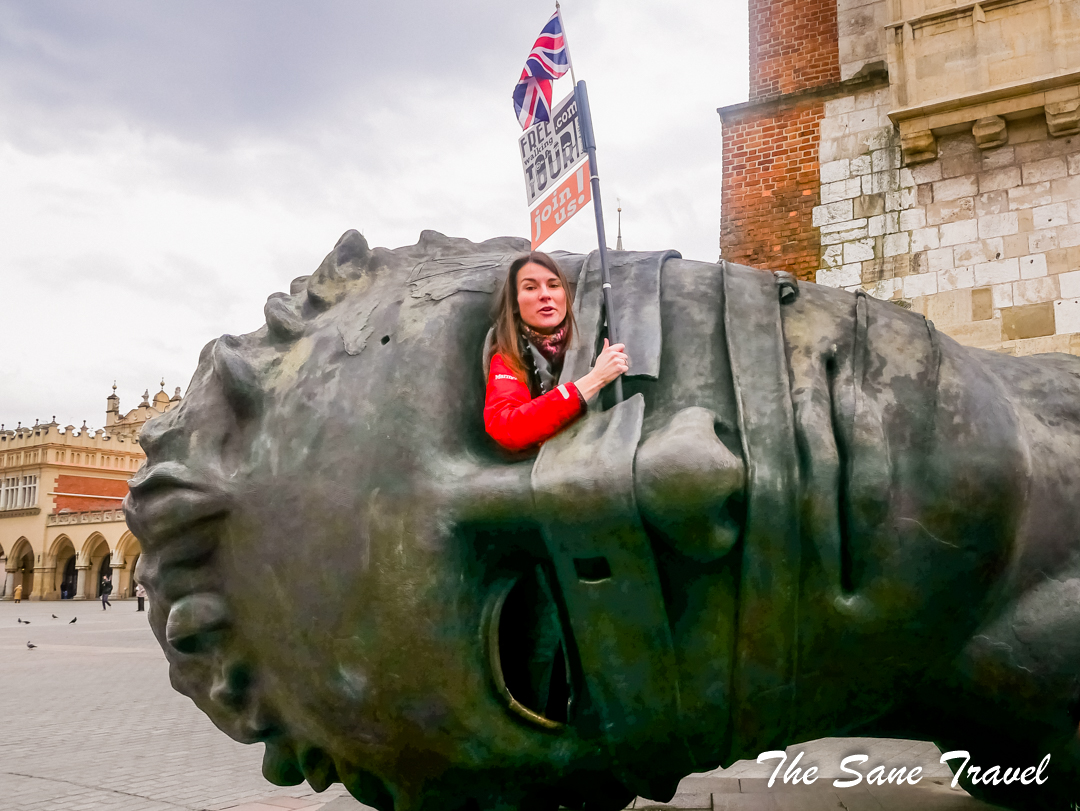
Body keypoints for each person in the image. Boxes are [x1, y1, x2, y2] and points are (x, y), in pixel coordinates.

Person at [484, 252, 629, 452]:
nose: (545, 294)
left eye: (553, 285)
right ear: (515, 304)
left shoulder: (597, 337)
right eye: (530, 287)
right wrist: (595, 379)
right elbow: (506, 426)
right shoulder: (508, 356)